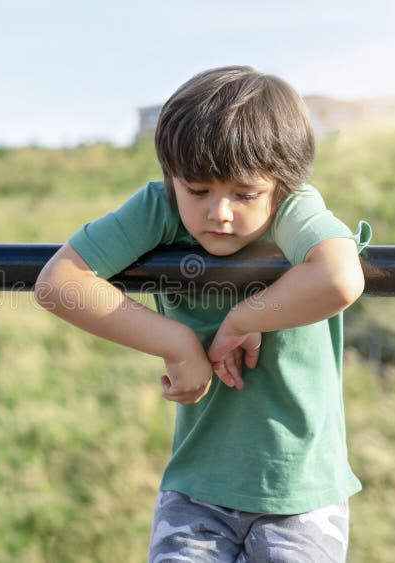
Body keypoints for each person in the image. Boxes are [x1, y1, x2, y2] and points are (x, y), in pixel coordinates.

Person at [34, 65, 372, 562]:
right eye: (198, 190)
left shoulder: (292, 206)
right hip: (195, 490)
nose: (219, 211)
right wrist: (176, 343)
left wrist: (244, 319)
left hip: (299, 493)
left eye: (244, 194)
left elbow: (339, 278)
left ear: (281, 183)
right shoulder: (162, 206)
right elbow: (59, 282)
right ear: (174, 177)